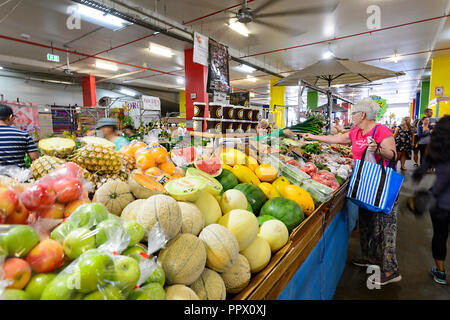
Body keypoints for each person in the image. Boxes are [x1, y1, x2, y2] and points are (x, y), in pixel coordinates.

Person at [302, 98, 401, 286]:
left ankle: (390, 269)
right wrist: (312, 137)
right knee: (366, 222)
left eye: (354, 112)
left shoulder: (381, 131)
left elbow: (393, 155)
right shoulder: (356, 132)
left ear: (362, 115)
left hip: (381, 186)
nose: (351, 115)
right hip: (365, 185)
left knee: (386, 227)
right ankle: (369, 258)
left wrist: (378, 149)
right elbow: (338, 139)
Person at [412, 115, 450, 285]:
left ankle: (440, 272)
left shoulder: (436, 147)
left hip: (441, 202)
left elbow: (419, 173)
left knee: (440, 236)